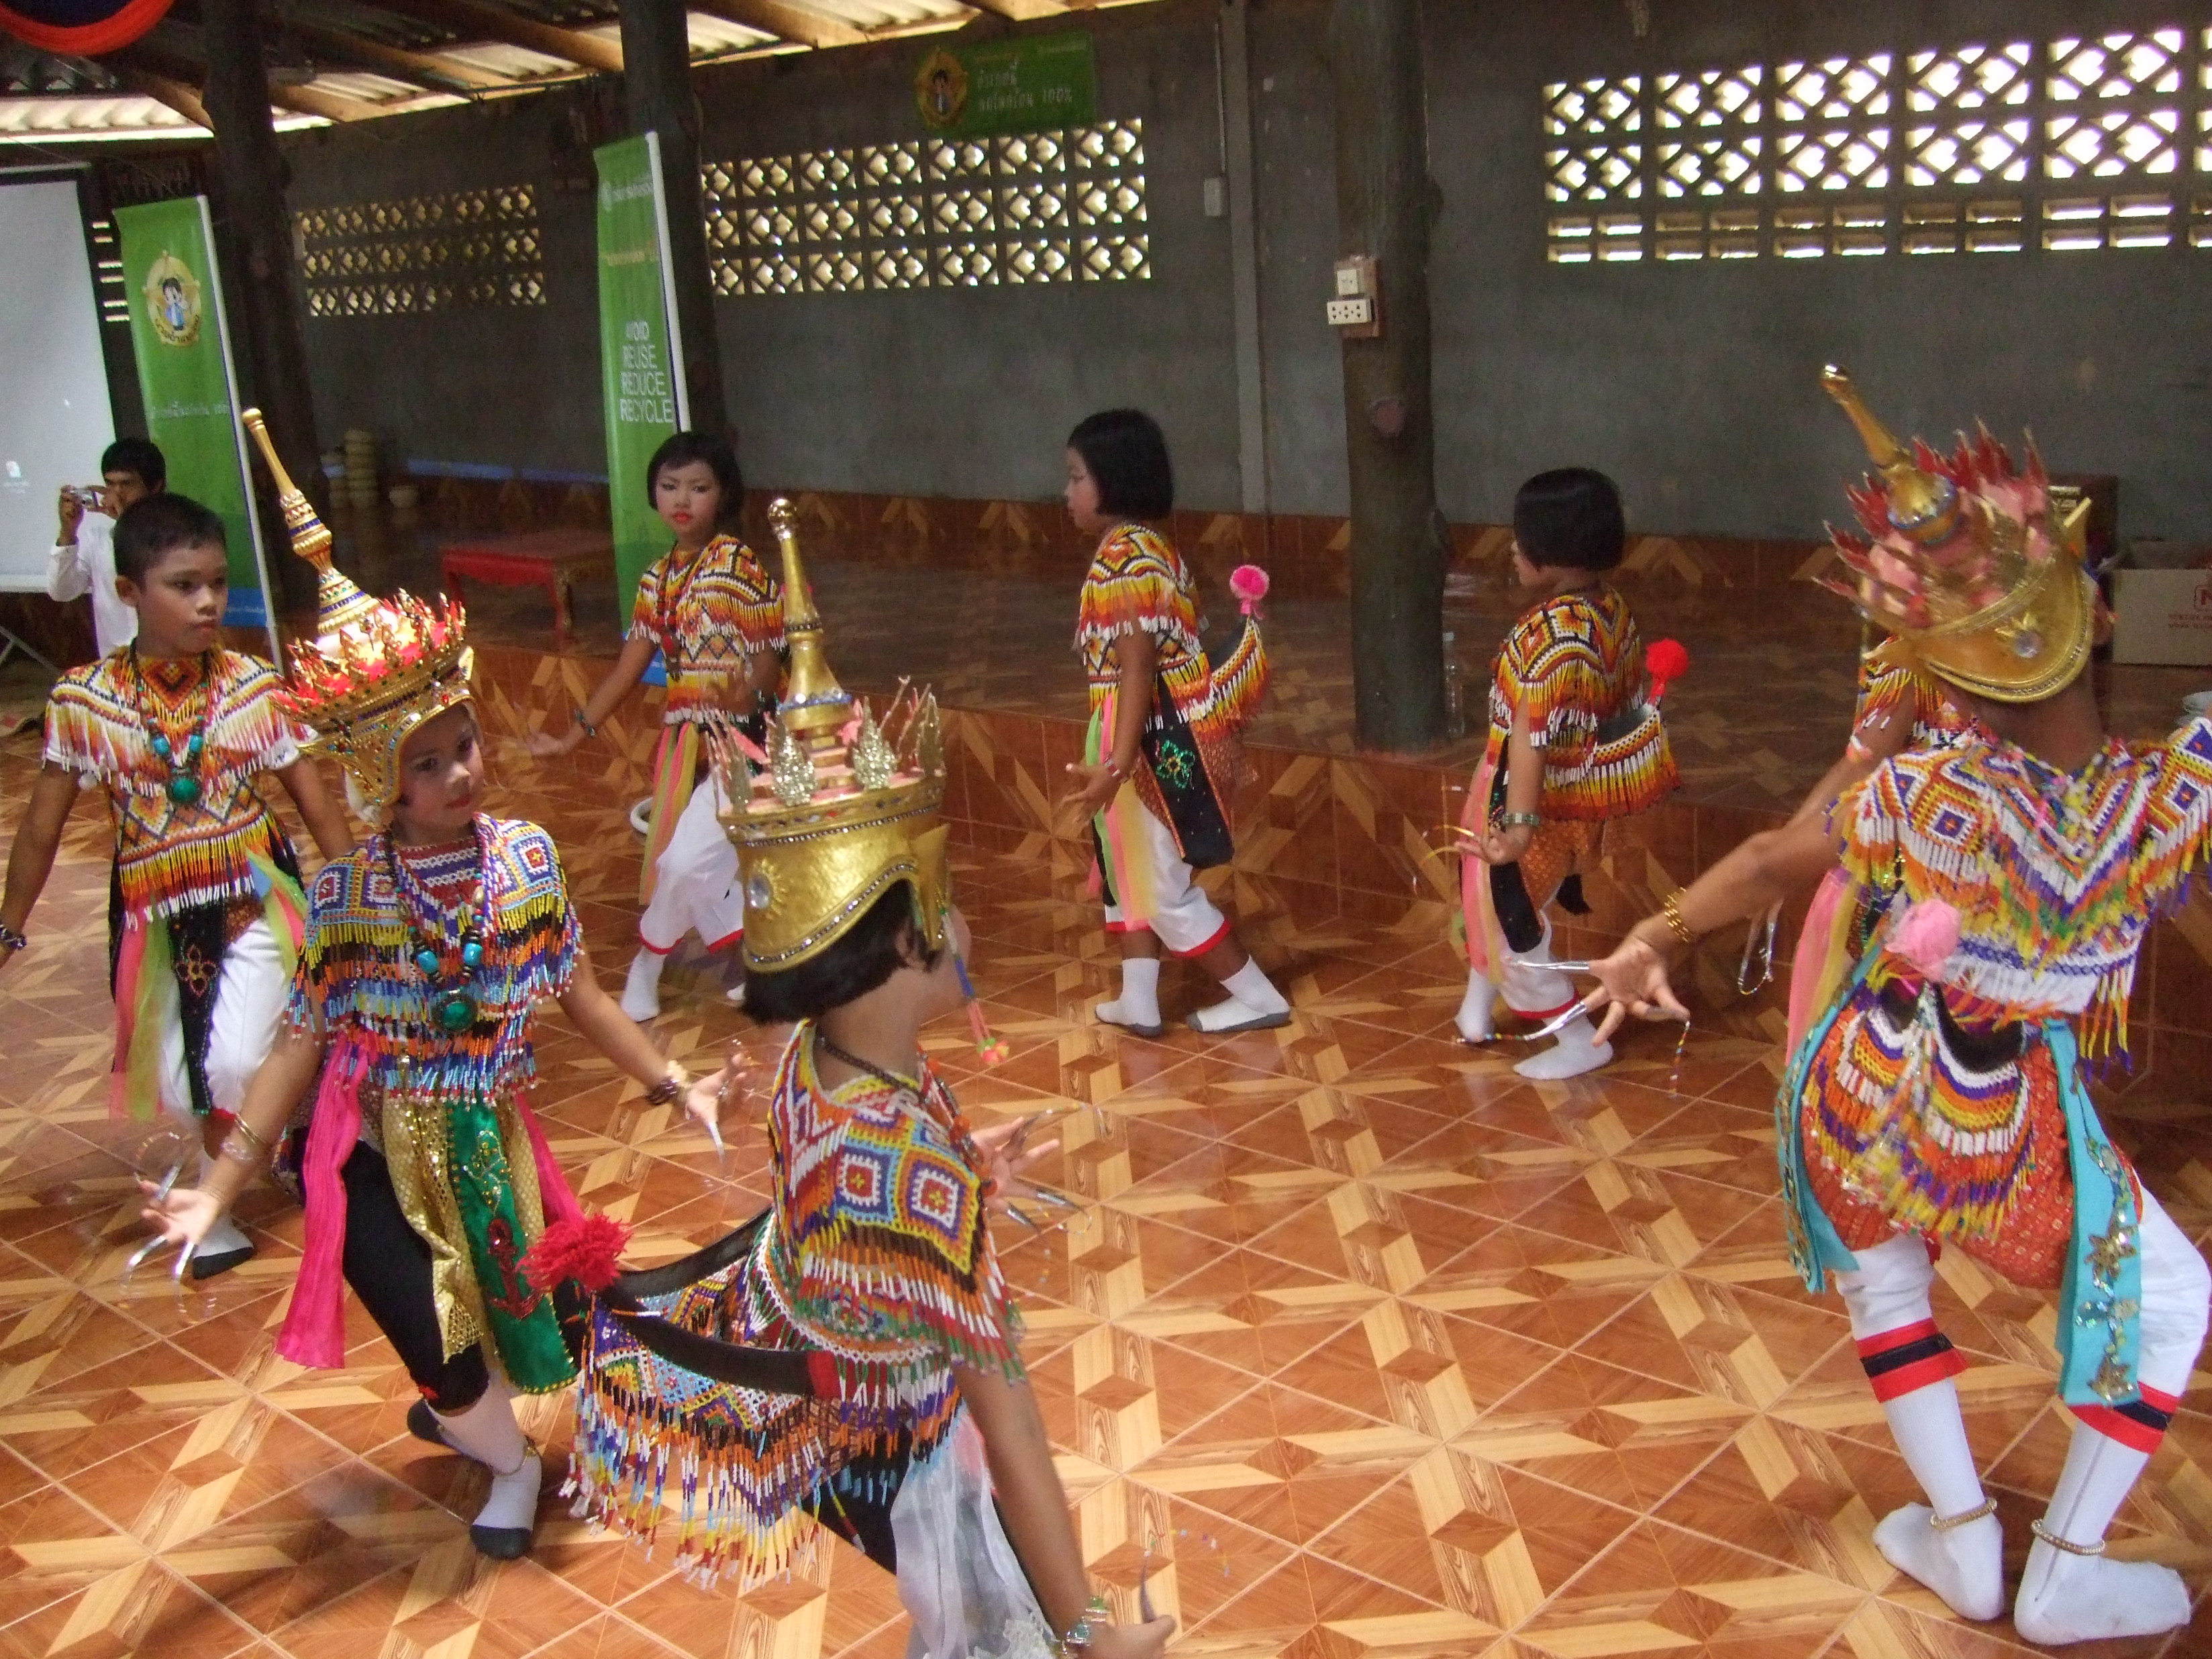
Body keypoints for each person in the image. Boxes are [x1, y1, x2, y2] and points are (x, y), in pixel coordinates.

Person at [1579, 368, 2212, 1646]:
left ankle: (1964, 1539)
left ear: (1941, 671)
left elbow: (1771, 858)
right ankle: (2064, 1570)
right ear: (2093, 614)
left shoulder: (1922, 793)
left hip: (1858, 1084)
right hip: (2005, 1119)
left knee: (1884, 1283)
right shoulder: (2172, 799)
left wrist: (1648, 937)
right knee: (2166, 1301)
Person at [544, 500, 1173, 1659]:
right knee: (997, 1633)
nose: (968, 922)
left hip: (843, 1432)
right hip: (911, 1453)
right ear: (905, 938)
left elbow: (845, 1204)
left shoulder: (818, 1060)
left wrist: (960, 1169)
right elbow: (1010, 1417)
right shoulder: (904, 1157)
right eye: (947, 900)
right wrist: (1092, 1630)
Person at [134, 440, 722, 1560]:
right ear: (378, 781)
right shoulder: (348, 896)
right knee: (430, 1335)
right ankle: (504, 1458)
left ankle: (483, 1422)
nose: (461, 774)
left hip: (487, 1135)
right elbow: (298, 1045)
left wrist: (672, 1081)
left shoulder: (527, 859)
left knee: (529, 1318)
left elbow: (581, 994)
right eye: (428, 764)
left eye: (465, 746)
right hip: (370, 1147)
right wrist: (218, 1191)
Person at [1, 492, 350, 1278]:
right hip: (152, 913)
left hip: (253, 899)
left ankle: (224, 1190)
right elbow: (40, 830)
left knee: (233, 1060)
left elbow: (314, 799)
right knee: (175, 1070)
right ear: (129, 590)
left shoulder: (252, 684)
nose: (208, 602)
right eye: (184, 585)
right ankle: (247, 1164)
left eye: (217, 583)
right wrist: (8, 927)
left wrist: (360, 896)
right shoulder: (84, 701)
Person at [528, 432, 782, 1021]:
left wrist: (744, 698)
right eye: (670, 486)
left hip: (739, 742)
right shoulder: (655, 580)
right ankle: (740, 962)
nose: (682, 500)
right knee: (699, 862)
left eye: (698, 487)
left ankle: (648, 963)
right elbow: (628, 669)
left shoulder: (739, 566)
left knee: (685, 863)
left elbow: (769, 655)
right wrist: (572, 736)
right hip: (684, 744)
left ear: (723, 495)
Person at [1060, 408, 1288, 1036]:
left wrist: (1115, 766)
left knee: (1159, 886)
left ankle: (1258, 997)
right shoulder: (1149, 548)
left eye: (1077, 477)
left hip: (1153, 743)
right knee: (1129, 869)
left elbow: (1137, 670)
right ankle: (1139, 999)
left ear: (1114, 481)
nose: (1067, 492)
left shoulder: (1123, 563)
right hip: (1156, 731)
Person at [1453, 468, 1679, 1079]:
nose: (1512, 548)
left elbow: (1531, 740)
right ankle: (1476, 1009)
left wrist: (1517, 831)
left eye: (1522, 536)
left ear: (1552, 549)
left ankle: (1579, 1038)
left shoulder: (1548, 639)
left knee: (1510, 919)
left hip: (1534, 801)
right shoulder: (1611, 611)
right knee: (1485, 901)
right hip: (1575, 794)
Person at [48, 436, 166, 657]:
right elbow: (61, 592)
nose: (117, 493)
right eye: (110, 484)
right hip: (116, 663)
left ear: (155, 487)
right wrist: (68, 532)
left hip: (167, 659)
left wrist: (126, 523)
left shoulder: (176, 533)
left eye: (127, 484)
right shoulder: (98, 539)